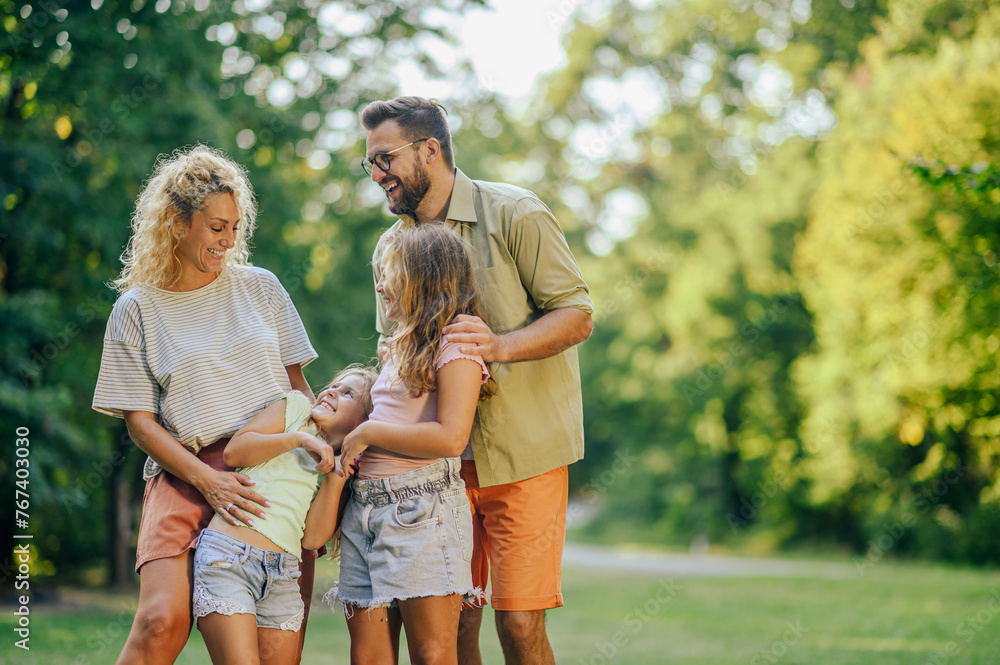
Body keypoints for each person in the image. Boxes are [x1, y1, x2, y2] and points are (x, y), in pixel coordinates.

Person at [359, 97, 594, 665]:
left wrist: (500, 345)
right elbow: (393, 355)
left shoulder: (515, 211)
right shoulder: (389, 249)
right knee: (454, 626)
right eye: (368, 162)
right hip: (433, 471)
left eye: (384, 158)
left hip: (524, 453)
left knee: (517, 623)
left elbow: (577, 313)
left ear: (429, 150)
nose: (376, 174)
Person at [92, 144, 320, 665]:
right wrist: (207, 479)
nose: (229, 240)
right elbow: (140, 424)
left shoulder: (261, 288)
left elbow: (300, 392)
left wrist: (313, 471)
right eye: (217, 227)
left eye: (235, 227)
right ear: (176, 220)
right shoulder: (136, 309)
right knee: (159, 623)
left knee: (268, 649)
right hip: (184, 470)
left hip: (271, 475)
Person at [331, 223, 497, 665]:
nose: (380, 286)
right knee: (368, 657)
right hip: (366, 512)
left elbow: (450, 437)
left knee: (433, 652)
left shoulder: (455, 346)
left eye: (391, 275)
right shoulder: (404, 347)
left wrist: (366, 432)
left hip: (421, 510)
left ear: (424, 278)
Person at [193, 365, 378, 665]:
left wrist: (335, 478)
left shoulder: (332, 465)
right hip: (229, 560)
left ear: (362, 422)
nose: (331, 391)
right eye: (334, 385)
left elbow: (313, 539)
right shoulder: (296, 409)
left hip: (283, 576)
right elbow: (235, 451)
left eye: (347, 394)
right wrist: (299, 439)